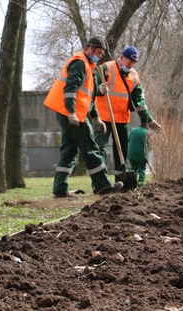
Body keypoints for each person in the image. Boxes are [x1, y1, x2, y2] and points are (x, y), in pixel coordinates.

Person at [43, 36, 124, 198]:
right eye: (99, 52)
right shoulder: (79, 63)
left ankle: (60, 189)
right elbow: (70, 88)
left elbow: (88, 97)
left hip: (71, 114)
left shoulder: (89, 66)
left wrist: (96, 118)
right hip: (73, 115)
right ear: (90, 48)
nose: (100, 56)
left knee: (69, 151)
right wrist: (72, 112)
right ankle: (103, 187)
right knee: (90, 149)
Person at [94, 46, 161, 182]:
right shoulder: (105, 68)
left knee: (122, 152)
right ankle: (101, 183)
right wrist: (98, 90)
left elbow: (139, 101)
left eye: (133, 63)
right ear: (122, 58)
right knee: (100, 150)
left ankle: (121, 180)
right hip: (104, 117)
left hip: (122, 119)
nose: (131, 65)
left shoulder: (134, 76)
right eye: (129, 62)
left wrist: (149, 119)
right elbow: (90, 88)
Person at [127, 122, 150, 187]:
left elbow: (129, 140)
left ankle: (131, 184)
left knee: (133, 169)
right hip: (142, 155)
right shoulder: (147, 132)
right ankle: (141, 185)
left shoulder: (133, 130)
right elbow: (150, 145)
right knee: (142, 170)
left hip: (132, 154)